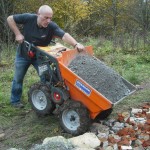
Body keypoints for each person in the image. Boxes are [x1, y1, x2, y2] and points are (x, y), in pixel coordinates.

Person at [7, 5, 85, 108]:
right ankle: (15, 101)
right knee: (18, 78)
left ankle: (48, 101)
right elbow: (10, 18)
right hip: (23, 54)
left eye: (50, 18)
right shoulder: (28, 18)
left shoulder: (51, 26)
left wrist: (76, 44)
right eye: (45, 17)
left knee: (46, 78)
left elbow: (64, 35)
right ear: (38, 14)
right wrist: (17, 34)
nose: (48, 20)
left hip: (40, 57)